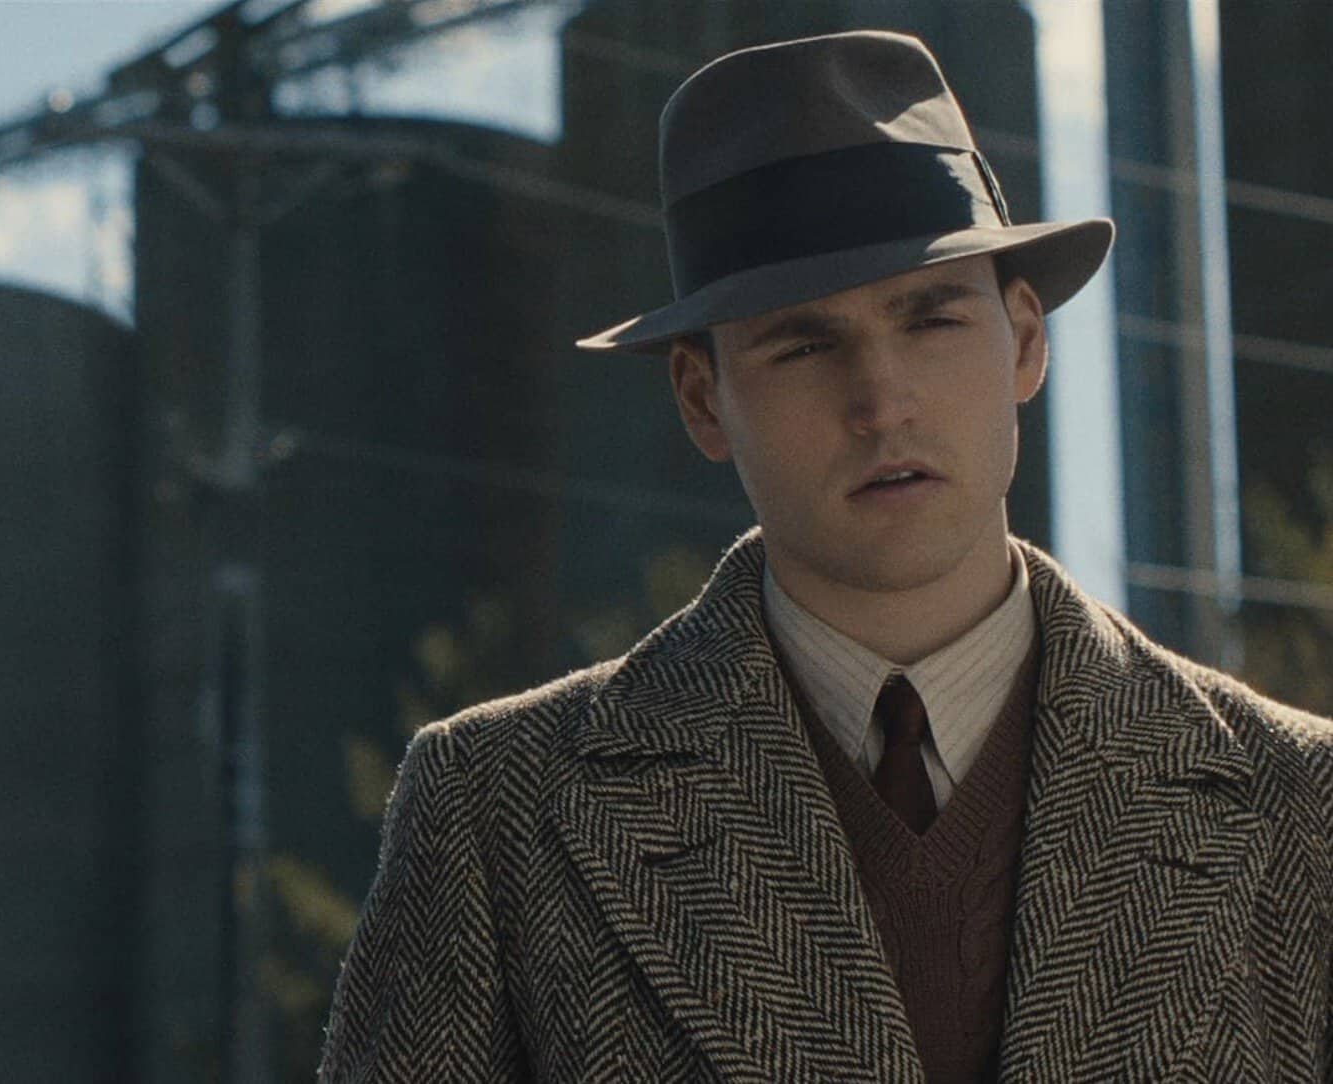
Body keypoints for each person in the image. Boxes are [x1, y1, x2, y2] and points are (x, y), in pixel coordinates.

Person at [319, 30, 1333, 1083]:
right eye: (804, 345)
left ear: (1026, 340)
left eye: (931, 319)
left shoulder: (1301, 801)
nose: (880, 402)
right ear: (703, 398)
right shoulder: (497, 810)